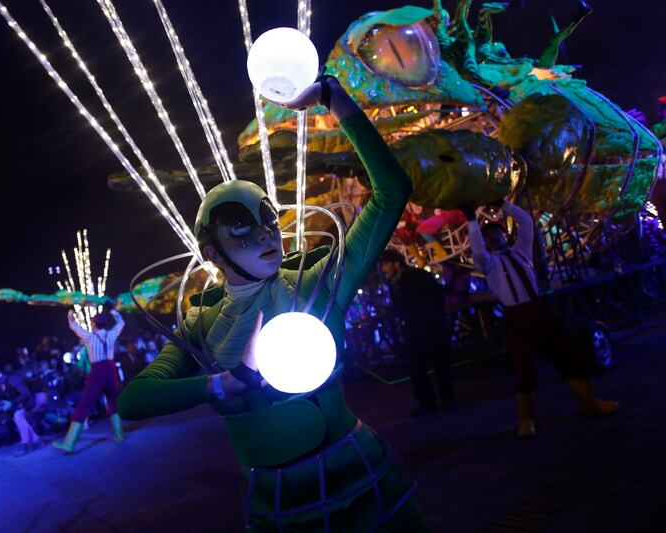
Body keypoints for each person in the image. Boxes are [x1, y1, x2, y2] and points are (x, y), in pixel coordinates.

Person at [118, 77, 428, 531]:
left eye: (267, 219)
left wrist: (336, 100)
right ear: (211, 251)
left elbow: (391, 192)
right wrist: (225, 383)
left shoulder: (317, 280)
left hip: (363, 480)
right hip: (279, 507)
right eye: (239, 228)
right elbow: (133, 400)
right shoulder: (200, 324)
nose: (264, 234)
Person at [462, 199, 618, 437]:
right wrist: (472, 221)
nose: (495, 237)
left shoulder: (522, 252)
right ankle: (526, 420)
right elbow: (477, 251)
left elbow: (526, 222)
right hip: (516, 316)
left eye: (498, 233)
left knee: (567, 351)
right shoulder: (489, 264)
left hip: (538, 309)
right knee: (524, 366)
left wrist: (504, 205)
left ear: (505, 236)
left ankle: (589, 401)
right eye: (489, 236)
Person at [380, 249, 453, 414]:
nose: (384, 269)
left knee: (441, 364)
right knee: (417, 368)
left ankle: (446, 397)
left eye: (386, 264)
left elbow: (438, 296)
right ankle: (427, 402)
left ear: (396, 263)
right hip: (413, 330)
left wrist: (436, 317)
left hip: (431, 327)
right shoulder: (394, 282)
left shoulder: (419, 277)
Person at [53, 304, 126, 453]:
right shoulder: (112, 334)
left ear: (93, 323)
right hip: (111, 370)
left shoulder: (90, 337)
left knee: (85, 403)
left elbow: (74, 326)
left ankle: (69, 443)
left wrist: (70, 314)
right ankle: (119, 434)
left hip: (97, 371)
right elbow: (121, 323)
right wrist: (113, 310)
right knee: (113, 400)